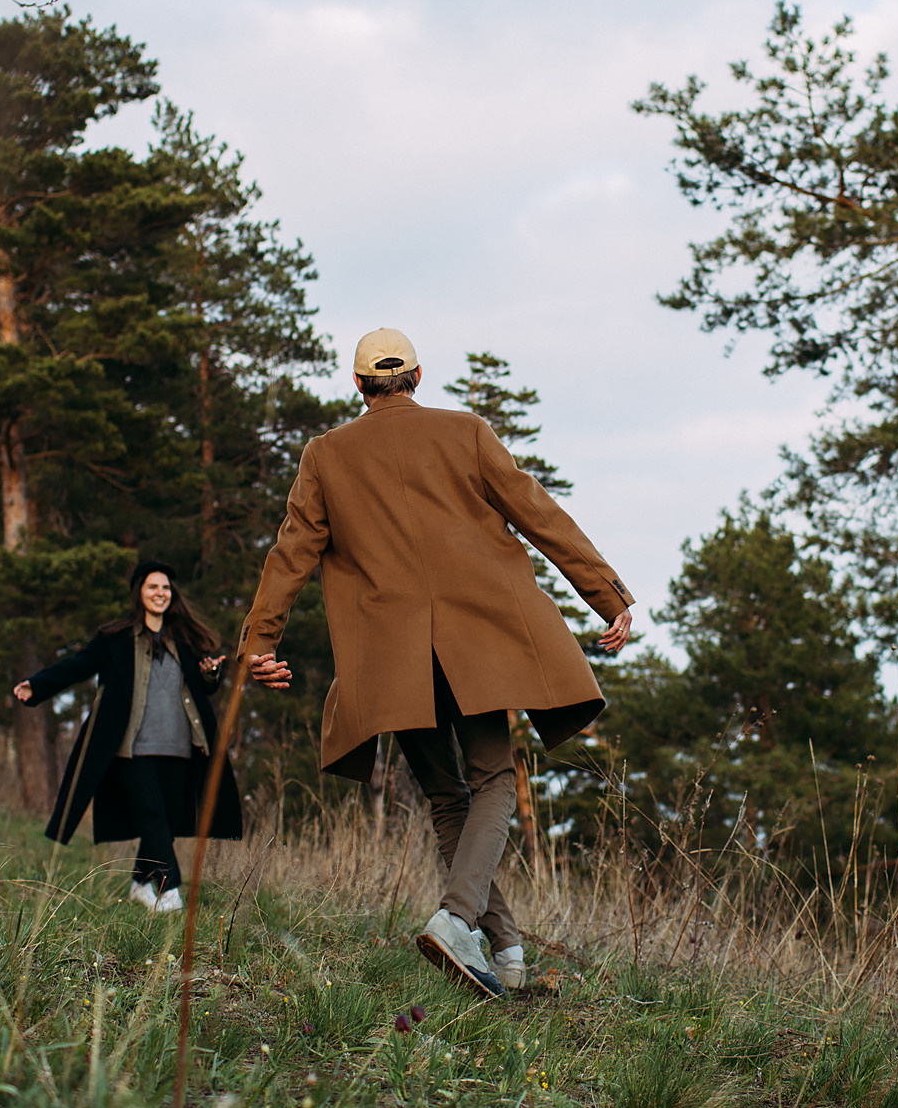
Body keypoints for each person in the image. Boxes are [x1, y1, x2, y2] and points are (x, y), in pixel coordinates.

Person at [240, 328, 634, 997]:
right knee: (492, 783)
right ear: (417, 377)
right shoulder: (466, 433)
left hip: (392, 659)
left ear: (359, 385)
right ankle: (458, 920)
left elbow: (291, 554)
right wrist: (606, 593)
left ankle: (504, 954)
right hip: (476, 642)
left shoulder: (325, 456)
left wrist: (260, 643)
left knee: (447, 798)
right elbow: (539, 513)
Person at [12, 561, 290, 910]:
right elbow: (76, 666)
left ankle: (140, 885)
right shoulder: (115, 639)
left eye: (165, 588)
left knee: (167, 820)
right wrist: (36, 686)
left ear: (172, 596)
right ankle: (170, 891)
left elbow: (206, 688)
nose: (160, 594)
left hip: (179, 746)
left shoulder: (187, 640)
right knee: (154, 817)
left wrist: (210, 673)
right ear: (139, 593)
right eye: (152, 587)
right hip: (131, 748)